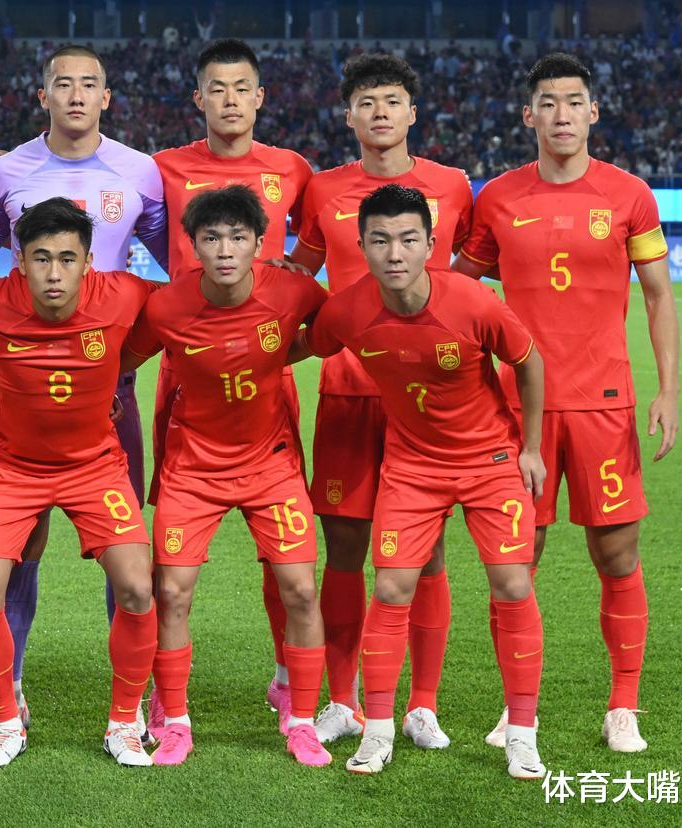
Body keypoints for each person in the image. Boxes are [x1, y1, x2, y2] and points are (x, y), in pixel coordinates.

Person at [453, 52, 679, 753]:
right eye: (548, 103)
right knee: (515, 561)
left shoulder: (629, 195)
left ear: (593, 112)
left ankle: (624, 706)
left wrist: (668, 389)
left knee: (616, 554)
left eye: (574, 101)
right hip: (517, 411)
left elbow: (658, 295)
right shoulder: (497, 199)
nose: (561, 114)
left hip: (603, 404)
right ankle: (516, 709)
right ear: (529, 115)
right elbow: (460, 292)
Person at [299, 184, 546, 779]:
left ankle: (522, 733)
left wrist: (532, 447)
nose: (394, 253)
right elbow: (301, 343)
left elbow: (529, 361)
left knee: (513, 583)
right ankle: (377, 732)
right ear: (361, 246)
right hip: (411, 467)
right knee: (391, 588)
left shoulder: (473, 302)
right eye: (380, 240)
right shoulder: (348, 310)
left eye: (409, 239)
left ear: (431, 244)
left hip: (489, 460)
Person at [0, 44, 168, 729]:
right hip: (28, 384)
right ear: (43, 95)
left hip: (111, 387)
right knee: (17, 552)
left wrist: (116, 362)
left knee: (125, 551)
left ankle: (134, 699)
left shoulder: (139, 171)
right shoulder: (7, 172)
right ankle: (10, 682)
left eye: (89, 85)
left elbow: (182, 268)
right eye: (63, 84)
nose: (75, 95)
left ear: (106, 97)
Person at [287, 53, 473, 747]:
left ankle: (422, 704)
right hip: (348, 390)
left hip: (428, 400)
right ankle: (343, 701)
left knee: (427, 553)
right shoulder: (324, 188)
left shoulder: (451, 186)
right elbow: (300, 273)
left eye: (392, 101)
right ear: (349, 116)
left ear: (412, 112)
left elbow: (468, 276)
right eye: (366, 102)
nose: (380, 113)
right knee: (344, 547)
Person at [122, 185, 329, 767]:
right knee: (171, 591)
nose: (224, 250)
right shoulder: (166, 307)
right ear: (193, 246)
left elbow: (336, 325)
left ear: (261, 243)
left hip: (271, 464)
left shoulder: (293, 289)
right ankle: (175, 720)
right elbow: (123, 359)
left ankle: (301, 719)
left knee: (301, 589)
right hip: (194, 468)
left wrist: (290, 351)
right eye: (211, 238)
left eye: (238, 237)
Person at [0, 198, 157, 769]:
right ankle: (5, 723)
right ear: (18, 260)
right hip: (12, 469)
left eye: (67, 259)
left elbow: (177, 317)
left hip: (95, 466)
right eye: (41, 258)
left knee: (137, 587)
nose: (54, 272)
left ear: (89, 262)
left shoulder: (124, 294)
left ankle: (124, 723)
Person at [151, 39, 314, 720]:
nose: (229, 100)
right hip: (188, 370)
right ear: (198, 98)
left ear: (260, 97)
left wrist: (278, 315)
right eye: (216, 88)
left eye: (241, 87)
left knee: (286, 558)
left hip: (266, 372)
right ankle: (162, 696)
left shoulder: (292, 169)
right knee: (169, 568)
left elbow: (316, 249)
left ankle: (288, 676)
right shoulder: (161, 168)